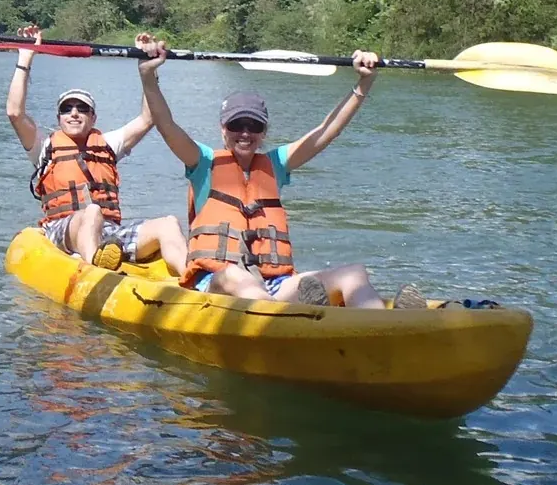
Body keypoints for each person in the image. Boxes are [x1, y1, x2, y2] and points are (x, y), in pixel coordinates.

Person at [132, 33, 419, 310]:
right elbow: (166, 124)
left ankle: (381, 327)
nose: (245, 133)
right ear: (223, 130)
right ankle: (292, 321)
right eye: (236, 125)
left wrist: (364, 83)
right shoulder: (203, 162)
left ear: (264, 132)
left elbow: (326, 132)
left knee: (353, 274)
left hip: (275, 284)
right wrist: (148, 76)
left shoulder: (275, 164)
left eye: (254, 126)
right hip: (218, 283)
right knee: (237, 276)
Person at [6, 30, 189, 274]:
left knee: (168, 224)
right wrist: (26, 58)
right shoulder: (44, 147)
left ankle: (193, 279)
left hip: (110, 233)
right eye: (67, 109)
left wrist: (148, 68)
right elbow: (15, 113)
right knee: (92, 212)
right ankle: (98, 269)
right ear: (58, 117)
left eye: (82, 109)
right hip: (64, 229)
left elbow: (149, 118)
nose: (74, 113)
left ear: (93, 117)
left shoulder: (107, 144)